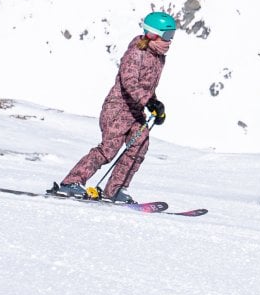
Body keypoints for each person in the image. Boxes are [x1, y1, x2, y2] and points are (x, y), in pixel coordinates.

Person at [53, 11, 175, 203]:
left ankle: (115, 190)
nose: (170, 40)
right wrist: (149, 102)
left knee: (140, 145)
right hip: (118, 109)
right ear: (152, 34)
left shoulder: (159, 57)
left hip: (136, 111)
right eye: (167, 35)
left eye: (172, 35)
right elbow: (130, 83)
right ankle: (71, 183)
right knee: (108, 149)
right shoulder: (136, 53)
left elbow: (148, 87)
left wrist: (155, 106)